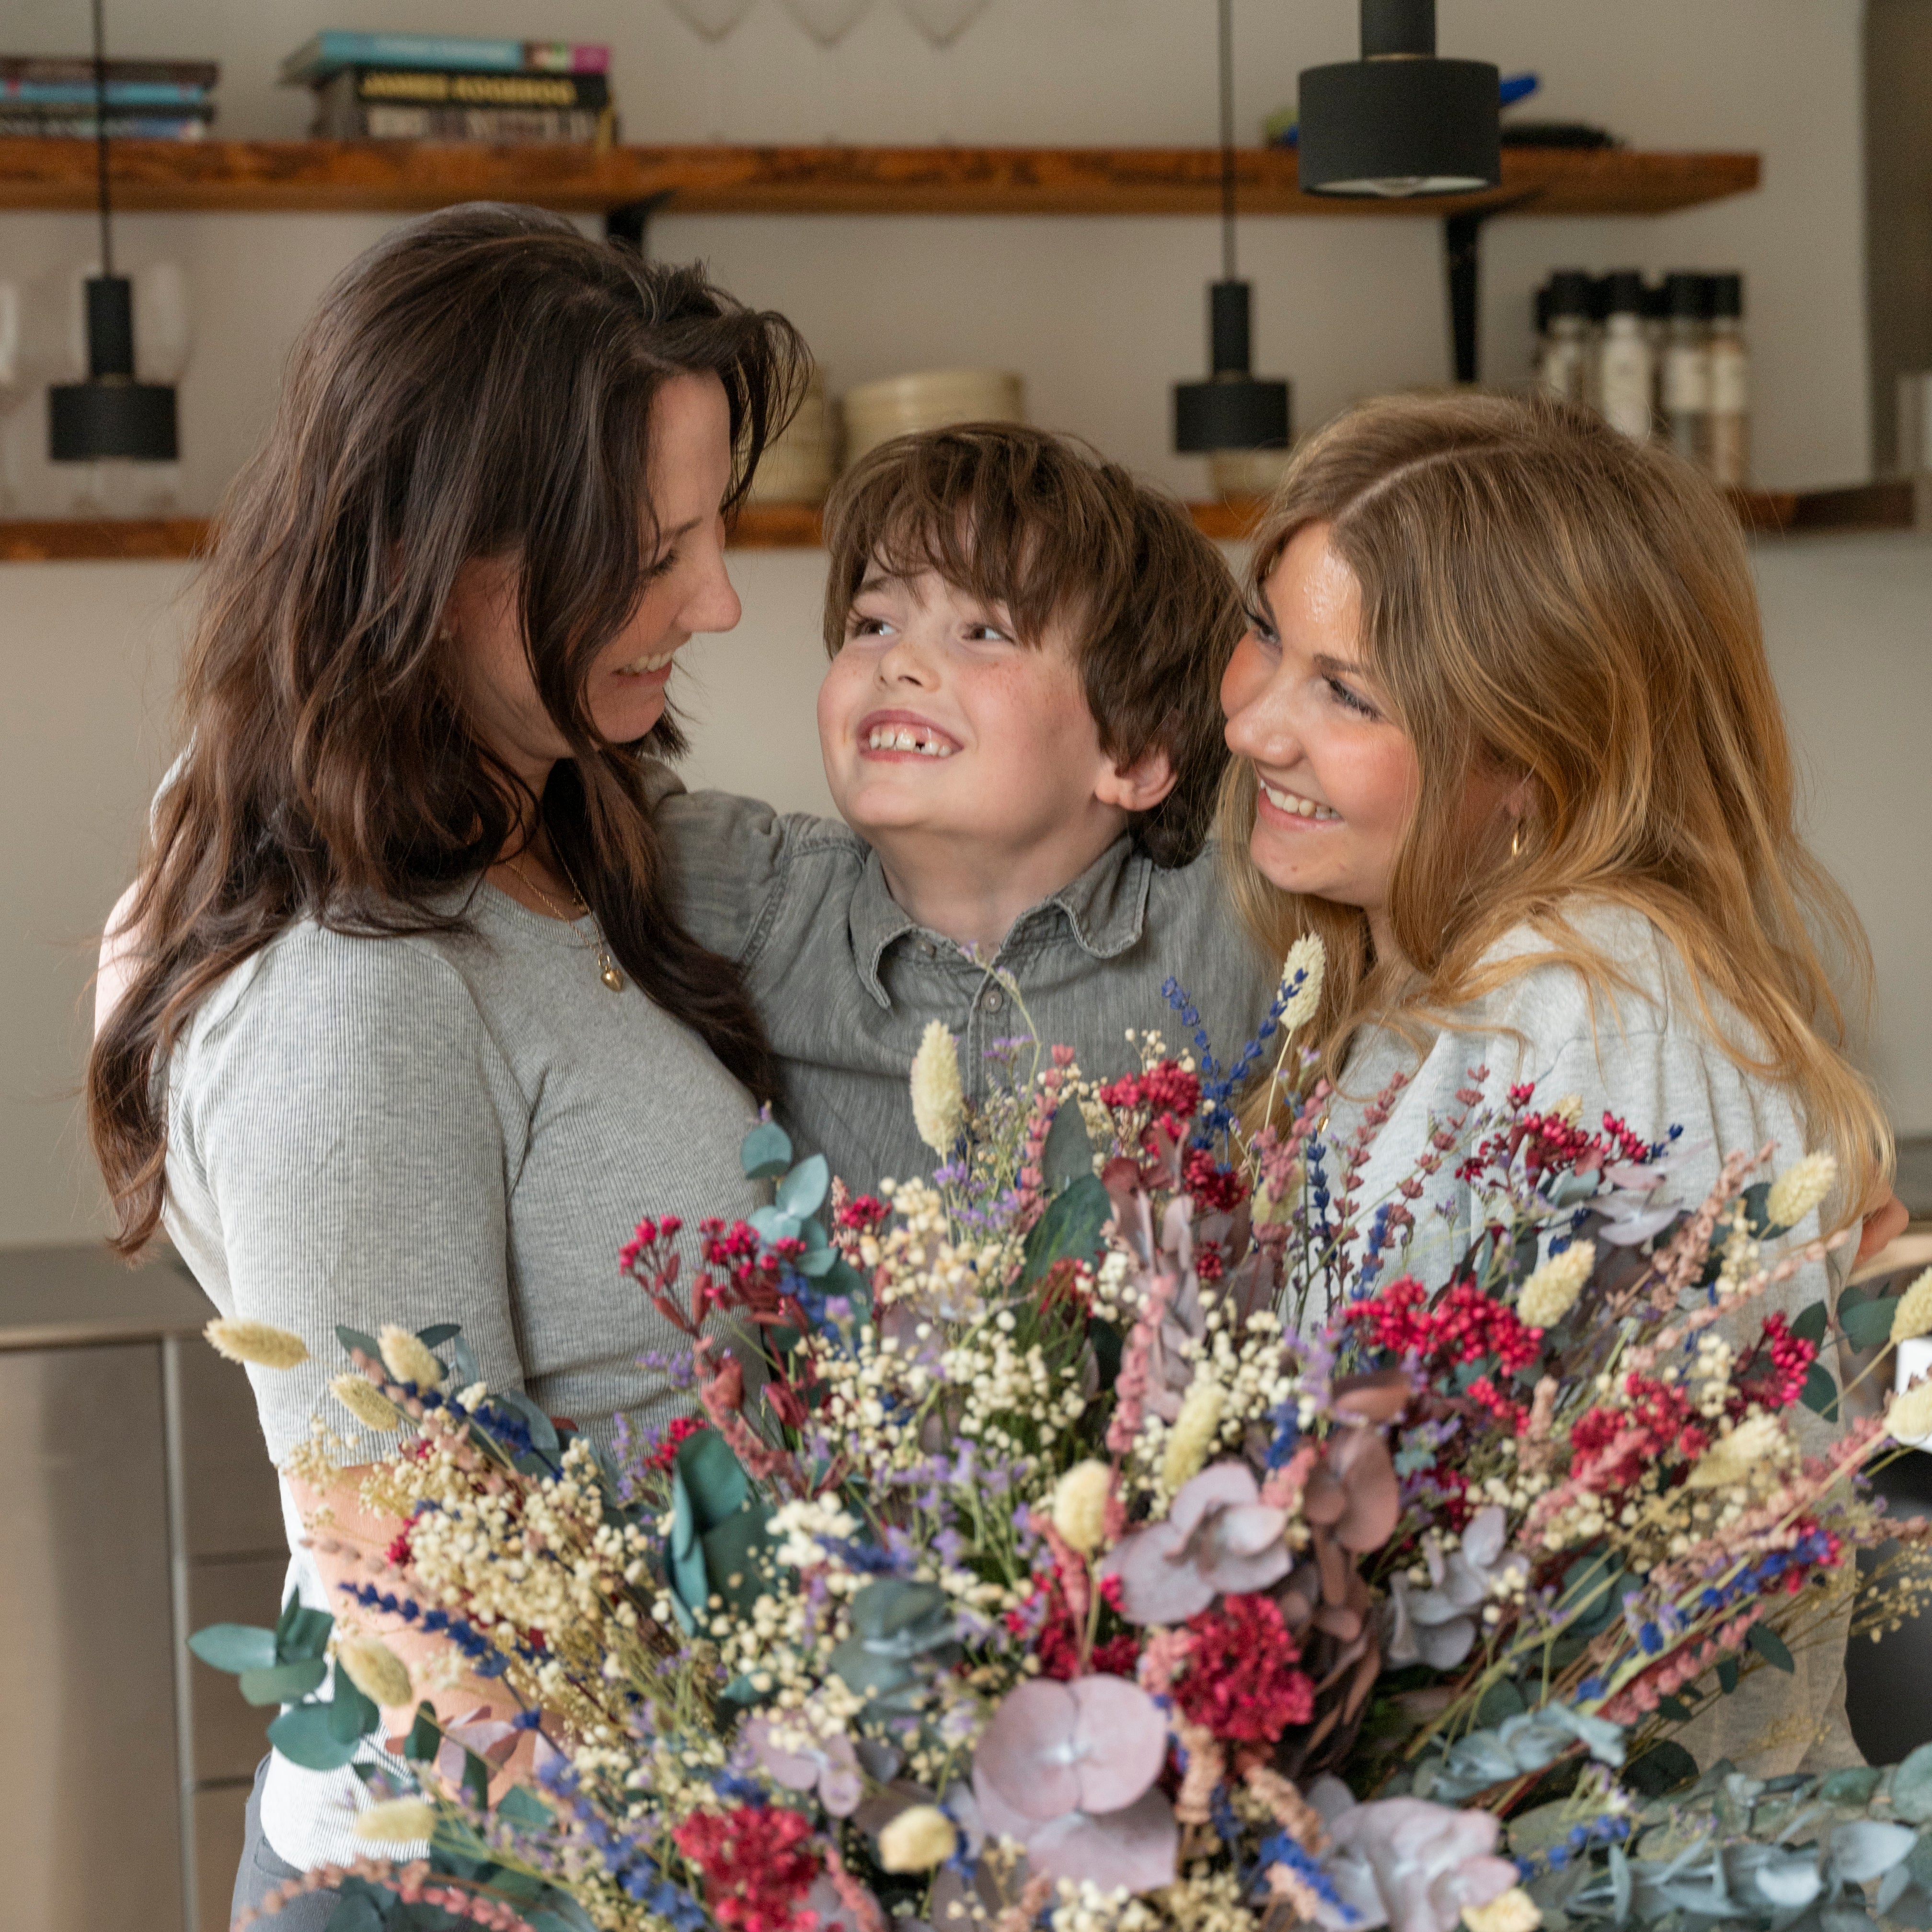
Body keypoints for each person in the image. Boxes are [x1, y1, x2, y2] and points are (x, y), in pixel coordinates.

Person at [85, 203, 807, 1923]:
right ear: (444, 558)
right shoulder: (351, 997)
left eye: (713, 533)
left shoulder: (555, 837)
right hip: (477, 1879)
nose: (714, 601)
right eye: (651, 554)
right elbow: (432, 1602)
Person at [1216, 389, 1898, 1775]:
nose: (1256, 729)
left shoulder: (1587, 1013)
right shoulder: (1429, 981)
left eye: (1345, 693)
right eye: (1268, 637)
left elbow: (1635, 1628)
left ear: (1529, 755)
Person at [654, 424, 1281, 1191]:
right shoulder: (769, 898)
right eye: (873, 624)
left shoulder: (1247, 926)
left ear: (1138, 754)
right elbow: (544, 783)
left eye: (984, 632)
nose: (900, 663)